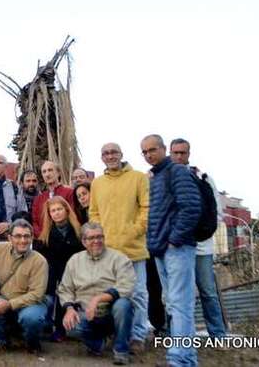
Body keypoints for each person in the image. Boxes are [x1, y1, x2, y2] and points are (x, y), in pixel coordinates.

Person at [141, 134, 201, 367]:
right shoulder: (156, 176)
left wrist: (175, 239)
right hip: (161, 249)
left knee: (180, 304)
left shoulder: (177, 172)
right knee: (174, 303)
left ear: (164, 148)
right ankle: (185, 358)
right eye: (144, 152)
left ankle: (179, 359)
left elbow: (191, 207)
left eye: (152, 150)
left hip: (177, 248)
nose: (148, 155)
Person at [89, 143, 150, 353]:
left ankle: (138, 336)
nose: (110, 156)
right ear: (101, 157)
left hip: (134, 248)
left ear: (121, 154)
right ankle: (115, 334)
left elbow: (146, 208)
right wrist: (100, 233)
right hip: (108, 252)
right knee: (109, 295)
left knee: (138, 294)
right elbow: (94, 212)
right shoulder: (97, 183)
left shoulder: (138, 178)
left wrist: (135, 229)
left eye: (114, 152)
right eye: (105, 153)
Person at [169, 137, 226, 338]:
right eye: (175, 153)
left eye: (182, 153)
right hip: (175, 247)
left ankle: (218, 334)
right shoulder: (162, 177)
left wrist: (203, 233)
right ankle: (179, 336)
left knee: (208, 291)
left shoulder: (203, 178)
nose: (178, 156)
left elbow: (216, 211)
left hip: (201, 246)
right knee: (175, 295)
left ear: (188, 154)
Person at [58, 222, 135, 365]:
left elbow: (126, 286)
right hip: (87, 314)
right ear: (83, 241)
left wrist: (99, 298)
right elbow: (65, 289)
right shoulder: (75, 260)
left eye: (100, 237)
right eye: (92, 238)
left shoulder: (119, 258)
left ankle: (121, 350)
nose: (97, 241)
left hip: (111, 313)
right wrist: (69, 309)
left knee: (124, 305)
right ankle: (98, 344)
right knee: (70, 325)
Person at [0, 219, 49, 354]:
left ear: (32, 238)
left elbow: (37, 294)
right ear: (10, 238)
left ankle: (32, 343)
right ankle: (0, 341)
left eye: (26, 236)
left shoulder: (40, 261)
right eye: (18, 236)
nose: (22, 240)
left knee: (31, 318)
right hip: (3, 298)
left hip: (30, 303)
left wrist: (9, 304)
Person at [35, 196, 84, 341]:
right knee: (50, 295)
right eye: (53, 211)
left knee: (67, 296)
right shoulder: (46, 235)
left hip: (73, 272)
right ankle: (47, 325)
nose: (56, 213)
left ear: (67, 210)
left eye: (59, 209)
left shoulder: (78, 232)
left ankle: (63, 328)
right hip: (53, 272)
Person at [32, 161, 75, 237]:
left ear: (58, 173)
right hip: (44, 242)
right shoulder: (38, 199)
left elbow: (73, 216)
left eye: (50, 170)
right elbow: (35, 222)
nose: (47, 174)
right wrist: (42, 237)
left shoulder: (69, 193)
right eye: (44, 172)